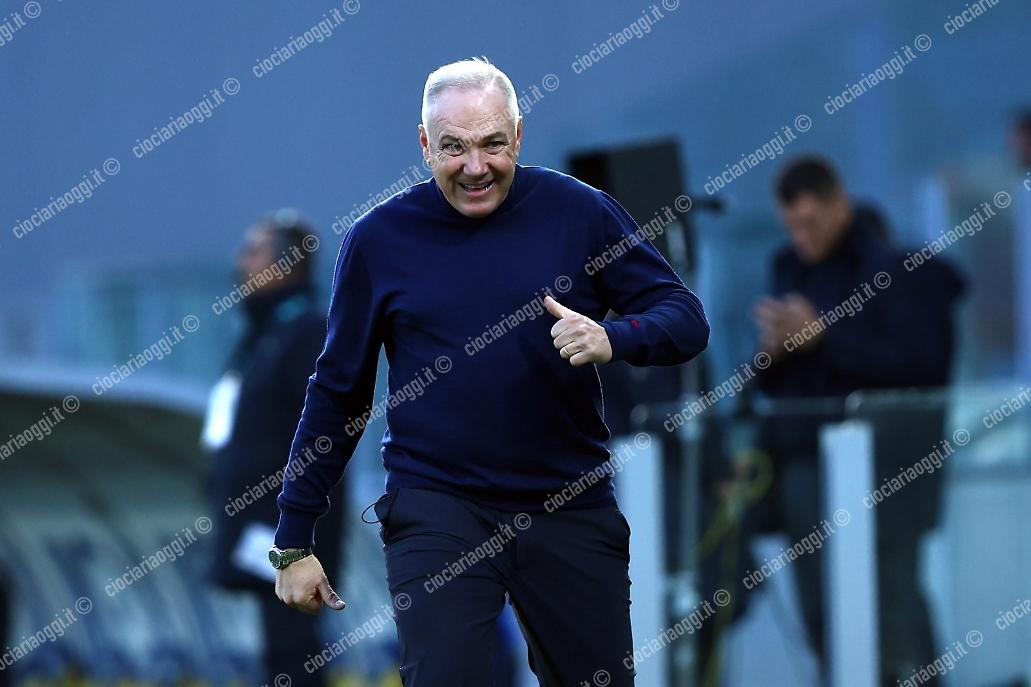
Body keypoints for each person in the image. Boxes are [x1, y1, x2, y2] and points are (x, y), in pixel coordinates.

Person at [268, 57, 709, 686]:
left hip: (568, 500)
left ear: (519, 136)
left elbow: (685, 318)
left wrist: (612, 337)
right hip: (437, 507)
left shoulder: (579, 212)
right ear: (425, 145)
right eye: (454, 147)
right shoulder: (379, 240)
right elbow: (339, 393)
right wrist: (294, 539)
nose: (475, 167)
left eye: (493, 144)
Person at [749, 157, 962, 685]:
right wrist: (773, 353)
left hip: (888, 471)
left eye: (811, 223)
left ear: (839, 205)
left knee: (892, 607)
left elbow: (917, 369)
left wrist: (824, 336)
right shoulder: (790, 270)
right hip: (805, 468)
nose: (802, 238)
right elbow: (778, 384)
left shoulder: (898, 272)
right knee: (822, 609)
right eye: (792, 226)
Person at [203, 211, 344, 687]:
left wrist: (294, 535)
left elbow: (323, 439)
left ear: (286, 265)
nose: (241, 263)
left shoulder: (307, 334)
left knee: (294, 652)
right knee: (278, 652)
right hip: (259, 532)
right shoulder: (261, 338)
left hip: (288, 534)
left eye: (254, 252)